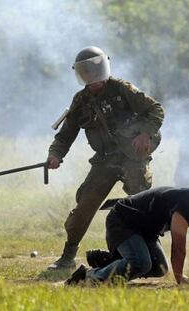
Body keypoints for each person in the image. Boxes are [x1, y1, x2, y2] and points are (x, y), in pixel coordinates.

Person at [47, 46, 164, 270]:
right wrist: (55, 154)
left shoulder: (122, 89)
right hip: (105, 161)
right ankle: (68, 255)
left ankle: (152, 255)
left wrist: (145, 133)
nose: (92, 77)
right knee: (85, 205)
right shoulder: (80, 101)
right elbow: (66, 134)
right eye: (85, 72)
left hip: (132, 158)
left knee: (143, 206)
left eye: (95, 70)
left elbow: (156, 110)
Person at [65, 177, 189, 286]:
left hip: (145, 231)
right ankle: (87, 277)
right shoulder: (187, 203)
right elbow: (179, 248)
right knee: (141, 263)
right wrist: (180, 279)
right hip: (122, 222)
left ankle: (110, 261)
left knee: (159, 268)